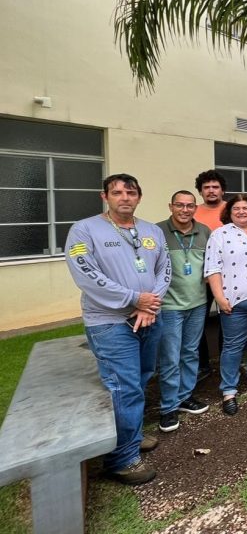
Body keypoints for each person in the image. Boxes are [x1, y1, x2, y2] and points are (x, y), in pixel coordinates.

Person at [66, 173, 170, 485]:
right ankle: (121, 460)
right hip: (110, 324)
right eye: (117, 192)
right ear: (105, 197)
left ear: (139, 197)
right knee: (123, 388)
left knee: (139, 380)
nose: (124, 197)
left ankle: (131, 436)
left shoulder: (150, 230)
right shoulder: (84, 230)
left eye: (131, 192)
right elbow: (85, 272)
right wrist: (134, 299)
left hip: (149, 318)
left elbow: (164, 269)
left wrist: (149, 304)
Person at [204, 194, 247, 416]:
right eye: (237, 208)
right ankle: (229, 390)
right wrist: (219, 298)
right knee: (233, 346)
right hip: (234, 301)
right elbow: (212, 269)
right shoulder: (220, 234)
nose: (242, 212)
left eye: (246, 208)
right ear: (230, 211)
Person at [156, 190, 211, 434]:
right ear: (171, 206)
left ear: (195, 208)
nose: (185, 210)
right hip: (169, 306)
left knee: (190, 352)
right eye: (180, 205)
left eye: (190, 206)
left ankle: (185, 396)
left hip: (197, 303)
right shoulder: (157, 232)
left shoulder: (204, 233)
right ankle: (168, 407)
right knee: (170, 356)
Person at [193, 169, 228, 379]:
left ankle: (227, 362)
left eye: (215, 187)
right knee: (198, 323)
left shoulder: (232, 210)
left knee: (228, 320)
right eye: (206, 187)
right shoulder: (193, 211)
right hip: (200, 278)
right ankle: (202, 365)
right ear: (200, 191)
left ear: (222, 190)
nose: (211, 191)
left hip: (229, 278)